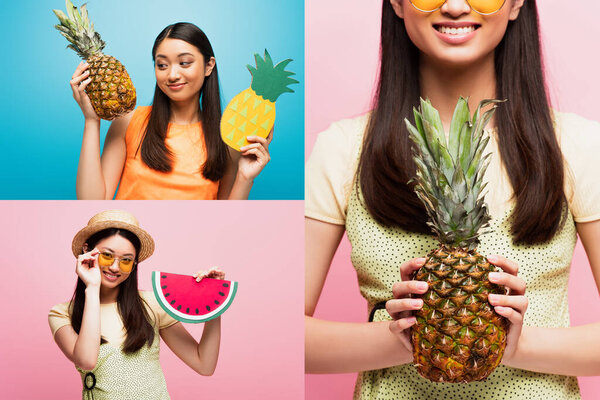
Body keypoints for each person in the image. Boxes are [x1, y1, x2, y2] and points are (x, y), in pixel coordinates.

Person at [305, 1, 600, 399]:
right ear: (397, 3)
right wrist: (397, 339)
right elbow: (286, 332)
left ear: (515, 4)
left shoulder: (578, 146)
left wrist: (516, 345)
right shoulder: (343, 149)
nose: (457, 6)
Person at [71, 22, 270, 200]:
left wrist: (245, 177)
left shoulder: (226, 137)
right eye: (162, 65)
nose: (172, 75)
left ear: (209, 66)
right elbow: (91, 203)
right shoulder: (128, 121)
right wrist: (91, 120)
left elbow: (226, 219)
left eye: (184, 63)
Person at [48, 210, 226, 399]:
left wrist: (214, 302)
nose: (115, 267)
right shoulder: (62, 314)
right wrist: (92, 287)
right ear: (87, 250)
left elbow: (204, 365)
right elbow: (86, 361)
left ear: (134, 265)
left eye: (126, 260)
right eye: (107, 255)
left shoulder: (151, 304)